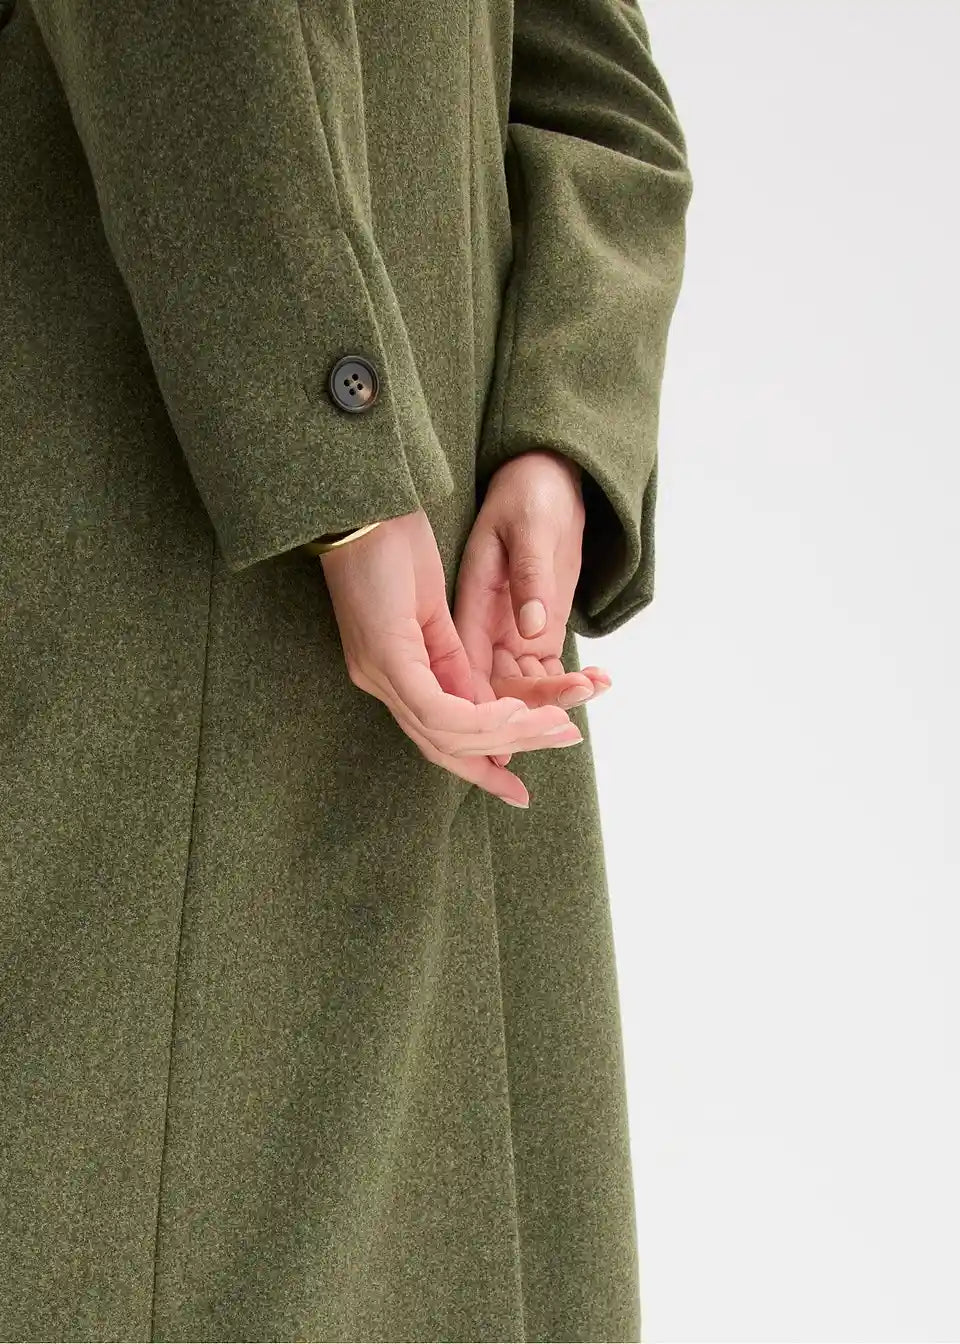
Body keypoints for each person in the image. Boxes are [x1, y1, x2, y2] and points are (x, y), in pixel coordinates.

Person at [0, 0, 692, 1337]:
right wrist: (347, 471)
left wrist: (557, 425)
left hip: (428, 608)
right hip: (163, 559)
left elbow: (594, 89)